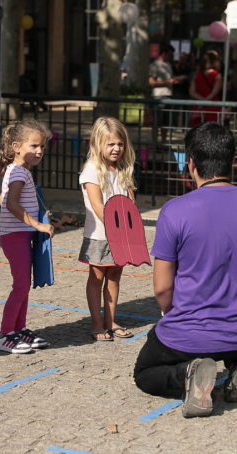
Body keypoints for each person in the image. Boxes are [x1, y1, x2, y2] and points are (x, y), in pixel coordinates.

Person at [134, 122, 237, 418]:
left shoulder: (176, 210)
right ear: (232, 161)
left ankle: (188, 373)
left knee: (145, 371)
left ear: (190, 163)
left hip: (190, 332)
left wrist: (173, 313)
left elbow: (163, 288)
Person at [0, 118, 54, 354]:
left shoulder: (18, 170)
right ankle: (5, 334)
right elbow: (12, 204)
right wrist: (38, 224)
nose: (39, 151)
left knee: (23, 285)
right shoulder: (18, 171)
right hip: (16, 235)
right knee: (21, 285)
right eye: (33, 146)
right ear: (16, 147)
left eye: (42, 147)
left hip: (19, 234)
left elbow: (4, 200)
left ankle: (19, 329)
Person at [78, 117, 136, 341]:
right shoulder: (92, 170)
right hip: (100, 236)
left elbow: (130, 201)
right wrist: (116, 229)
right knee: (97, 277)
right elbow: (97, 205)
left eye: (120, 144)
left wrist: (130, 230)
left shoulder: (123, 168)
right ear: (96, 144)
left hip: (122, 235)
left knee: (115, 277)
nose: (116, 149)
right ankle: (96, 322)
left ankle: (111, 320)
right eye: (110, 144)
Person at [148, 44, 179, 144]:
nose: (171, 57)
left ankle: (163, 143)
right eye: (170, 54)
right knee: (157, 121)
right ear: (164, 53)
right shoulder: (154, 65)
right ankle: (154, 143)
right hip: (158, 96)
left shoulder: (168, 65)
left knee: (166, 122)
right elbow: (152, 82)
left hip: (168, 96)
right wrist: (167, 82)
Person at [189, 52, 222, 127]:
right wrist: (205, 102)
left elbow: (192, 92)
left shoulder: (197, 74)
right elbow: (214, 93)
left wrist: (202, 101)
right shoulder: (217, 75)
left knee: (197, 129)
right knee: (212, 129)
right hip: (211, 105)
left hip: (198, 105)